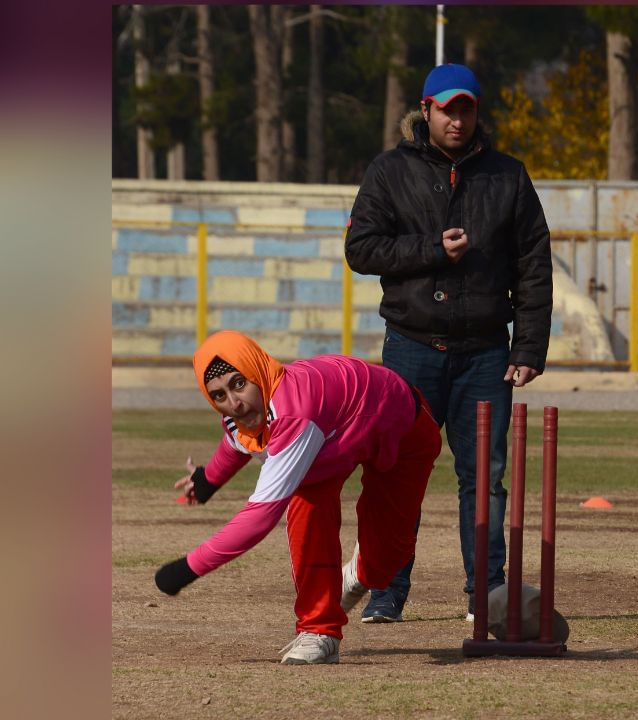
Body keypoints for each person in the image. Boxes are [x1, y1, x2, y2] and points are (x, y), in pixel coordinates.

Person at [345, 63, 553, 623]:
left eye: (466, 108)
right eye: (446, 108)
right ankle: (386, 590)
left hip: (486, 351)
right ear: (427, 109)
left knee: (483, 478)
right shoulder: (390, 171)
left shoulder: (508, 175)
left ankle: (485, 595)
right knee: (396, 475)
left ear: (477, 112)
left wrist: (528, 347)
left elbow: (534, 264)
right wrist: (433, 249)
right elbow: (361, 250)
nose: (456, 119)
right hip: (411, 349)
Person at [152, 330, 443, 664]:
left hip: (400, 426)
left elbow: (259, 518)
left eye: (238, 384)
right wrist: (207, 481)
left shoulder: (293, 413)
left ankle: (358, 573)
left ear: (257, 370)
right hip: (330, 439)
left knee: (384, 564)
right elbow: (237, 441)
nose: (234, 402)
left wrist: (186, 569)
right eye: (218, 395)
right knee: (306, 510)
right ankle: (320, 630)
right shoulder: (242, 413)